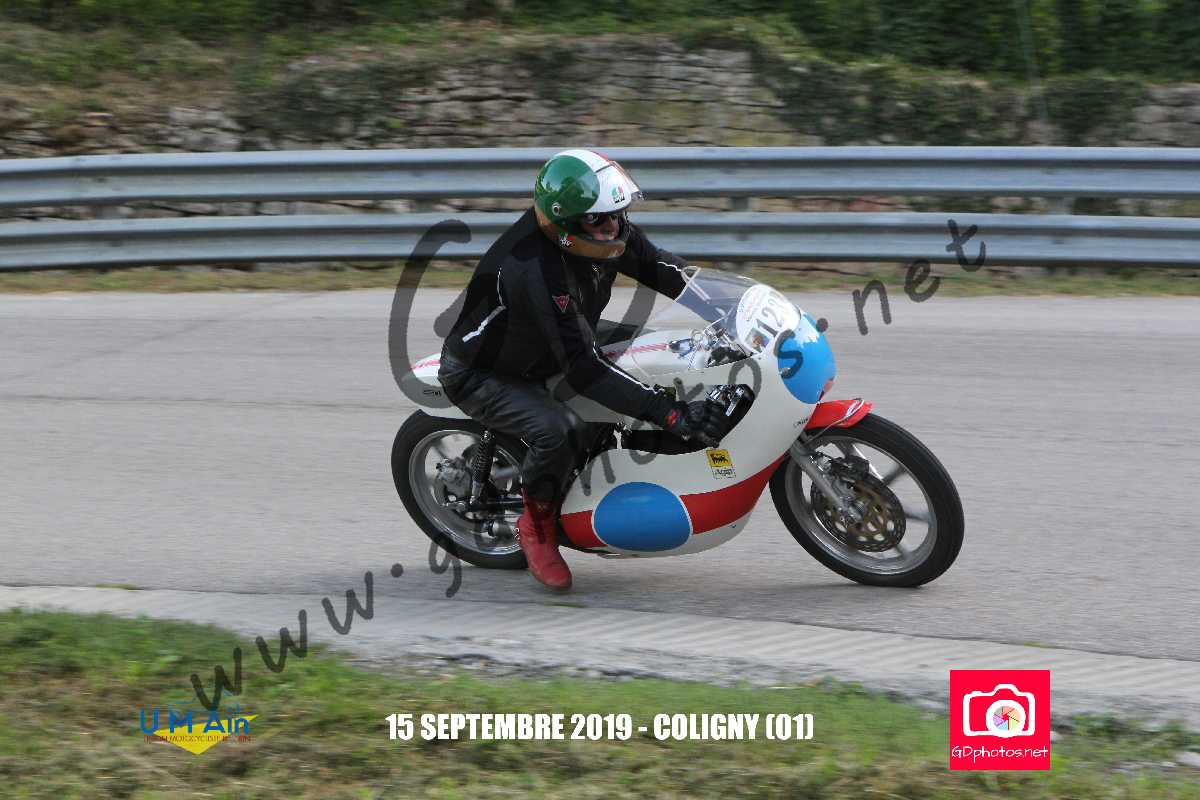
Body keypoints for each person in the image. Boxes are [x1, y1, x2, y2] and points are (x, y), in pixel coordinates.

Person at [438, 149, 728, 591]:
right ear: (567, 223)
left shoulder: (603, 233)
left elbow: (662, 269)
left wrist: (730, 306)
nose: (612, 226)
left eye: (617, 214)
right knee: (560, 431)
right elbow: (583, 368)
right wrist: (670, 413)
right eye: (598, 219)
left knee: (663, 351)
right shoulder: (533, 268)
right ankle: (536, 527)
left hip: (552, 341)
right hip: (486, 372)